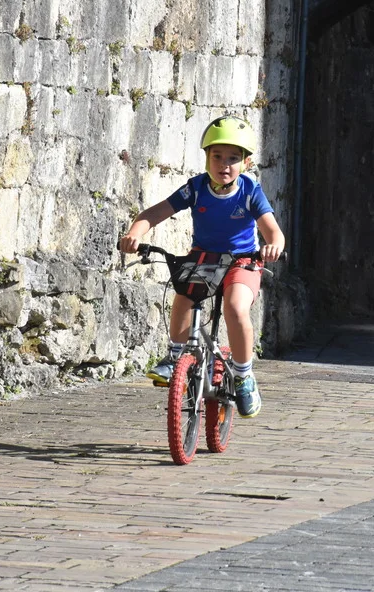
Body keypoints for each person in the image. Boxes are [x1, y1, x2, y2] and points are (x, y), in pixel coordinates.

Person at [118, 116, 285, 418]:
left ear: (246, 163)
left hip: (242, 260)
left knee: (235, 307)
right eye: (217, 156)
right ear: (206, 158)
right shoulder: (195, 188)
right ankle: (175, 356)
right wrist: (135, 234)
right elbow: (154, 213)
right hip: (204, 258)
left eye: (233, 158)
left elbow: (273, 231)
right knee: (184, 295)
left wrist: (273, 245)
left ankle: (244, 376)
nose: (224, 164)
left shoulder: (250, 191)